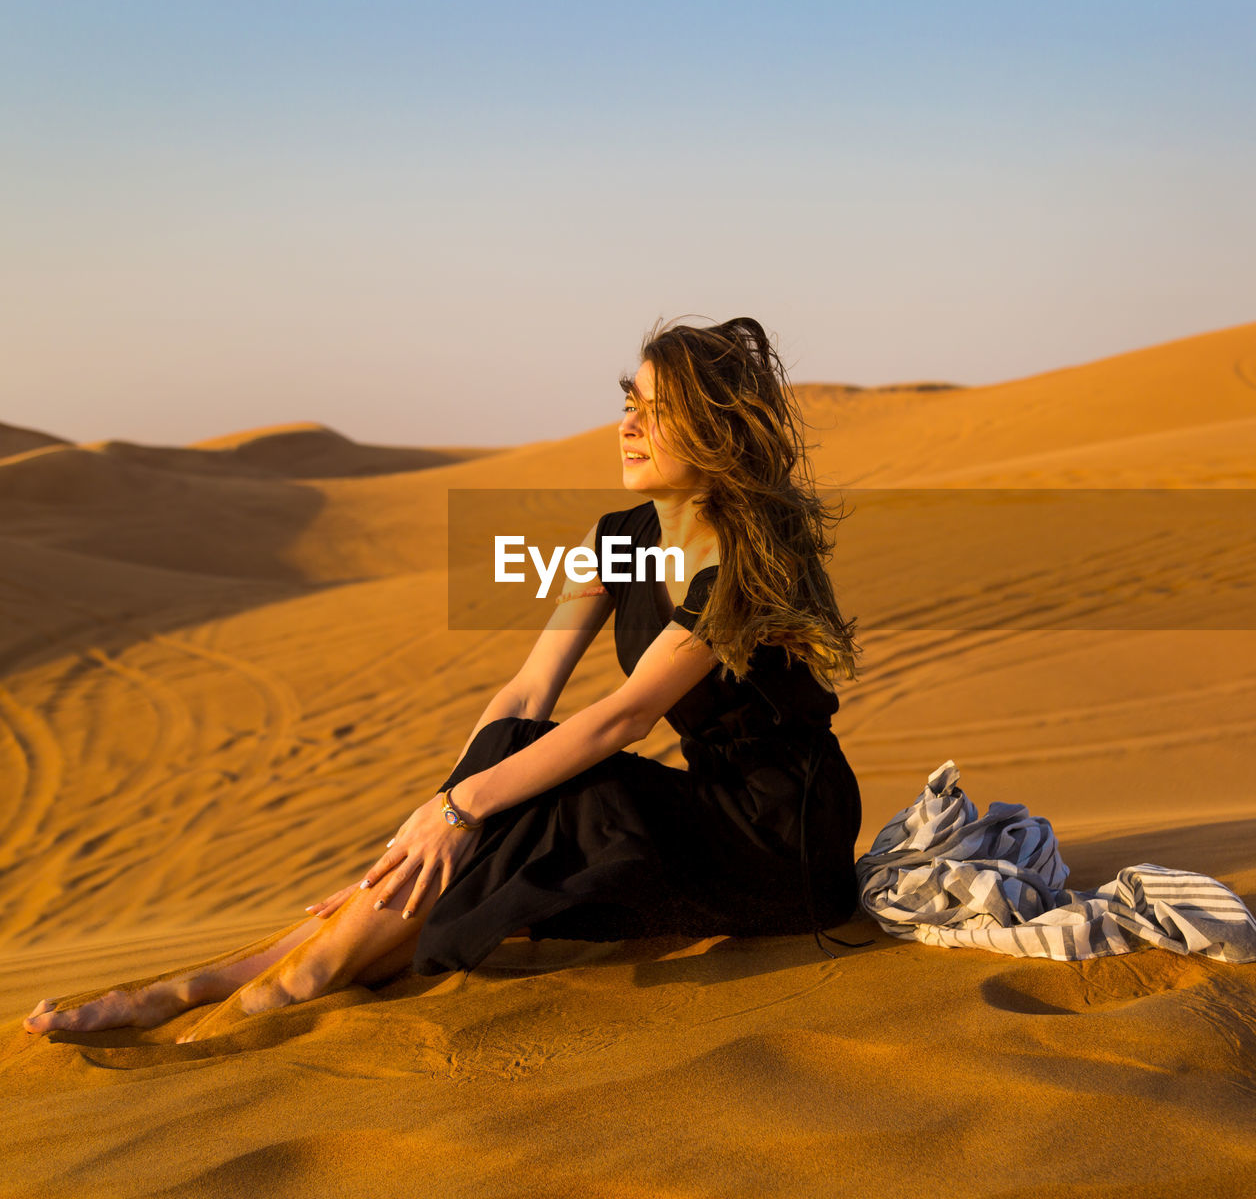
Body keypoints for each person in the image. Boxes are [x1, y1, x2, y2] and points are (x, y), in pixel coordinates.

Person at [23, 316, 866, 1043]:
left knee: (566, 799)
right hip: (698, 804)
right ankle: (266, 970)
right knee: (509, 760)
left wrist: (462, 811)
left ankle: (280, 982)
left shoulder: (746, 566)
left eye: (657, 412)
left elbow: (622, 720)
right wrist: (422, 832)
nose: (629, 428)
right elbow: (525, 695)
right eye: (627, 404)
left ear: (715, 431)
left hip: (781, 836)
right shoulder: (619, 534)